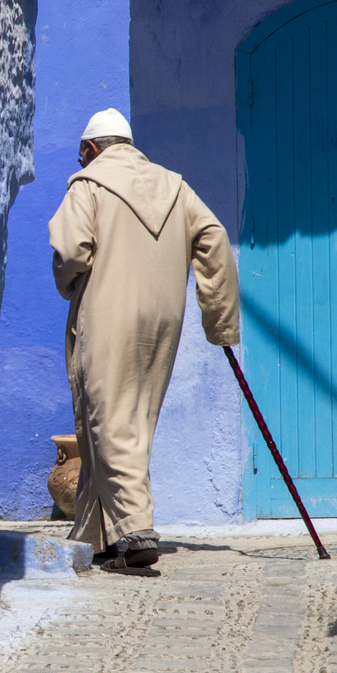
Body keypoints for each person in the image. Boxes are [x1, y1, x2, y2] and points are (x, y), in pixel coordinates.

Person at [48, 108, 240, 574]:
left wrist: (68, 280)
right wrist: (218, 318)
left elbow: (71, 252)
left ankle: (135, 535)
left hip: (110, 312)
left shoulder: (88, 185)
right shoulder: (175, 186)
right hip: (162, 318)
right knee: (128, 419)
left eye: (81, 155)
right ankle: (94, 536)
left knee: (109, 420)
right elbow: (214, 237)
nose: (80, 162)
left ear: (92, 149)